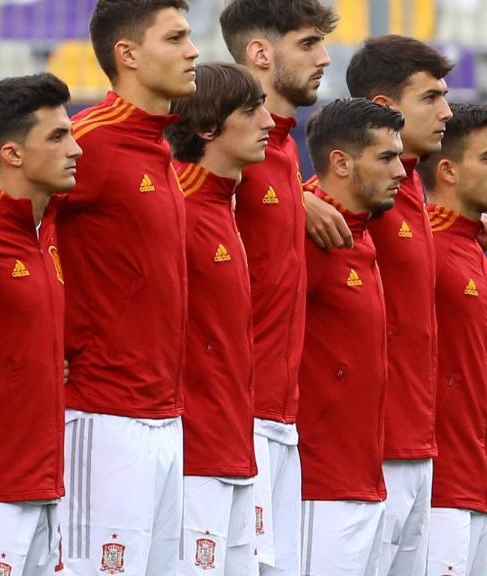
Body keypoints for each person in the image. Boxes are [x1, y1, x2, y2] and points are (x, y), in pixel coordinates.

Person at [57, 2, 198, 574]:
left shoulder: (157, 145)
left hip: (164, 415)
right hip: (104, 412)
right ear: (129, 54)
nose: (193, 51)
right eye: (176, 38)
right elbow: (1, 206)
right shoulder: (89, 140)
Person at [217, 2, 337, 572]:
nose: (325, 57)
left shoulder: (284, 150)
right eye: (308, 44)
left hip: (282, 418)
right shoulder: (214, 145)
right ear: (260, 53)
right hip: (234, 417)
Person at [0, 72, 80, 576]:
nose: (75, 149)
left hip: (46, 485)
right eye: (58, 137)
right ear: (12, 154)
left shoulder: (51, 223)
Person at [345, 36, 453, 575]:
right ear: (386, 107)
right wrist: (303, 199)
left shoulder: (409, 188)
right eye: (430, 97)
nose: (446, 112)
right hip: (371, 450)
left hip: (417, 445)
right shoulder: (358, 192)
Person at [165, 61, 274, 576]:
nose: (267, 122)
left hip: (234, 448)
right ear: (208, 128)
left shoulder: (221, 203)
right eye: (251, 111)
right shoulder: (178, 207)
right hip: (193, 455)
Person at [300, 98, 406, 576]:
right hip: (317, 487)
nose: (400, 171)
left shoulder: (360, 234)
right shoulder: (308, 234)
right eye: (386, 158)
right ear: (341, 162)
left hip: (363, 483)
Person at [417, 103, 487, 576]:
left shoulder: (477, 252)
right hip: (430, 488)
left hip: (471, 483)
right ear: (448, 171)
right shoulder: (419, 247)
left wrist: (484, 469)